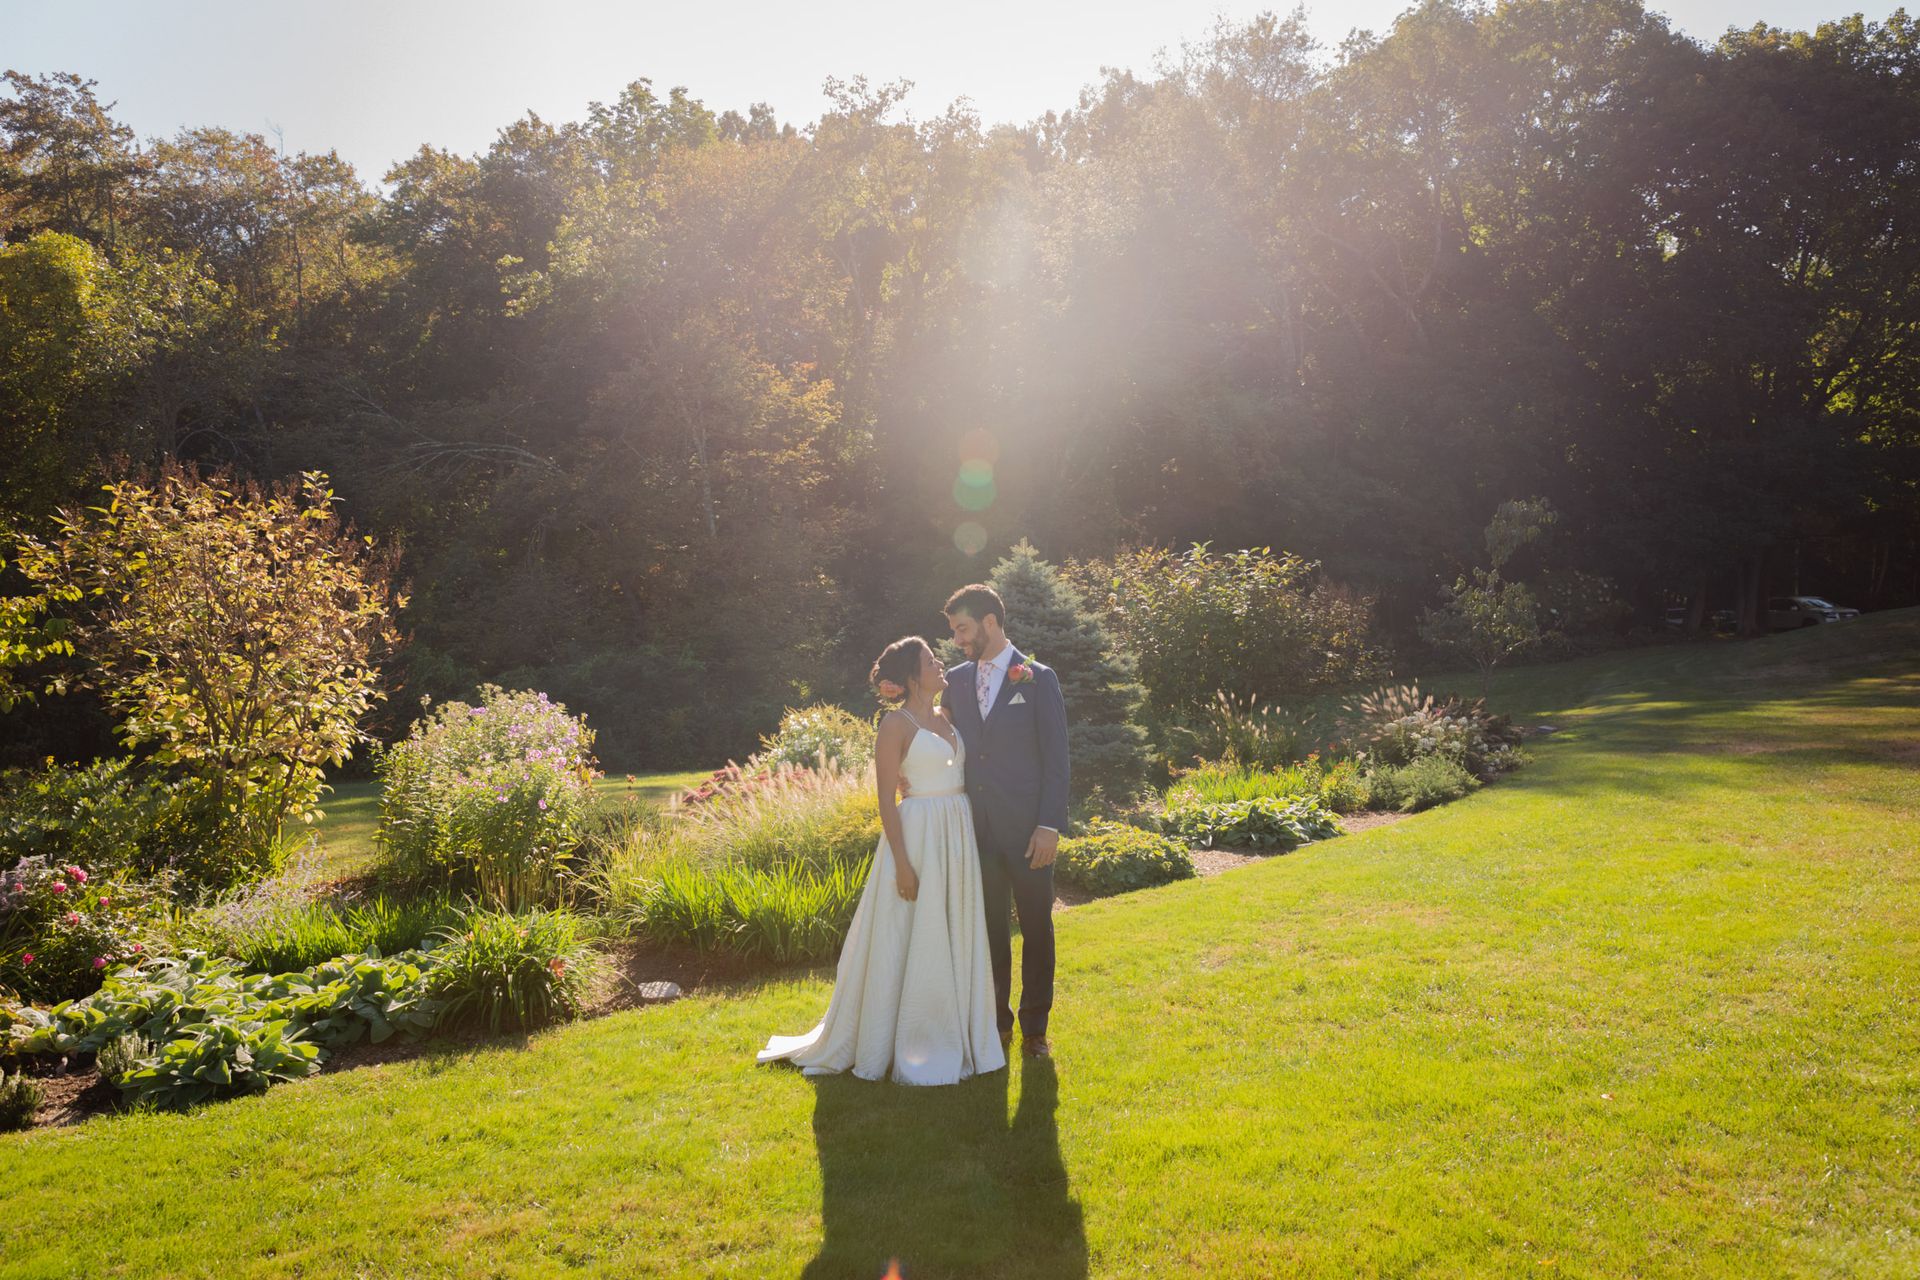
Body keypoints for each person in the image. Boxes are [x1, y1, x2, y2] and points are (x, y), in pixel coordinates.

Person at [756, 636, 1006, 1085]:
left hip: (956, 833)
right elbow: (887, 801)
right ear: (912, 676)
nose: (940, 664)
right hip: (918, 835)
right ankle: (909, 1035)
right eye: (931, 660)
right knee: (912, 930)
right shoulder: (895, 725)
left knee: (953, 924)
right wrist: (903, 865)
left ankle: (960, 1027)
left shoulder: (948, 716)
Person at [941, 583, 1070, 1059]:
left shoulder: (1037, 678)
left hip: (1029, 831)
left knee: (1036, 927)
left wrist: (1049, 825)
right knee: (990, 929)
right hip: (977, 831)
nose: (957, 640)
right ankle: (996, 1023)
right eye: (954, 631)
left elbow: (1056, 758)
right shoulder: (955, 680)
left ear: (990, 623)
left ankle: (1035, 1030)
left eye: (962, 629)